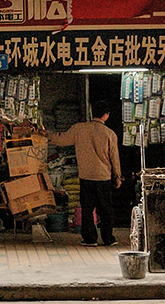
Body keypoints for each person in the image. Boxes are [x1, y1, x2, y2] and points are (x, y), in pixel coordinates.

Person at [47, 100, 121, 247]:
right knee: (106, 209)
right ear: (106, 115)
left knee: (87, 208)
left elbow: (61, 140)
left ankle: (90, 239)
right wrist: (117, 176)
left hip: (86, 176)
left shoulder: (79, 129)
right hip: (103, 177)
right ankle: (108, 238)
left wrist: (47, 134)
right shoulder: (110, 134)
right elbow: (115, 157)